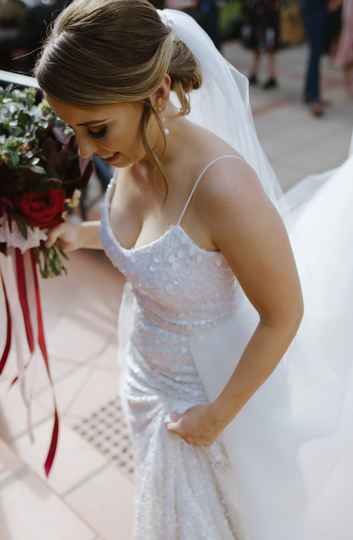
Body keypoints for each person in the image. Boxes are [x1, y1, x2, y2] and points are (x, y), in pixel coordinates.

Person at [33, 1, 353, 538]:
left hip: (210, 400)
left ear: (155, 94)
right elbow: (147, 245)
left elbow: (284, 313)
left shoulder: (223, 188)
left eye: (96, 130)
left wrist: (217, 416)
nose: (86, 153)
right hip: (146, 380)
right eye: (74, 132)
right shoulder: (133, 154)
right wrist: (80, 233)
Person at [240, 0, 281, 89]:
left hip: (269, 19)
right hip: (258, 18)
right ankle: (255, 73)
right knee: (256, 47)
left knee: (270, 48)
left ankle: (272, 76)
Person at [299, 0, 329, 117]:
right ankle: (314, 97)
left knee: (314, 55)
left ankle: (309, 93)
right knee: (315, 55)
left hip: (315, 10)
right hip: (314, 11)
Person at [335, 0, 353, 96]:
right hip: (349, 30)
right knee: (348, 59)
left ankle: (349, 85)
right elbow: (347, 17)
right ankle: (348, 85)